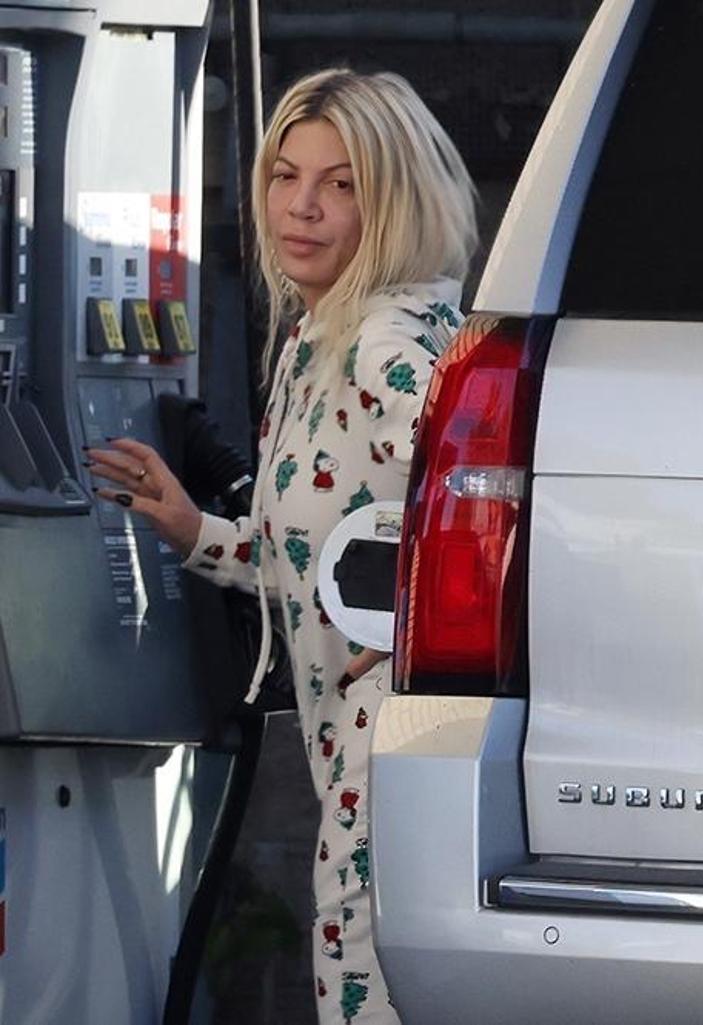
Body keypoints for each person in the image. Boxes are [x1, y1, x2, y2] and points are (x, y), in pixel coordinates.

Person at [86, 67, 477, 1024]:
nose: (301, 207)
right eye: (284, 176)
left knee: (367, 983)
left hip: (393, 741)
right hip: (361, 749)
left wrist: (422, 626)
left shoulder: (384, 344)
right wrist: (195, 528)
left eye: (342, 184)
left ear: (394, 202)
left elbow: (501, 502)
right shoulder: (322, 337)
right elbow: (316, 555)